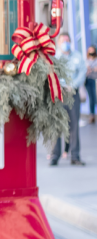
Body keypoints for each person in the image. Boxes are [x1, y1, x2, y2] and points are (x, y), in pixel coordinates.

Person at [50, 32, 87, 166]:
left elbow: (82, 73)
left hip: (73, 95)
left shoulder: (77, 56)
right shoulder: (55, 58)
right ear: (58, 43)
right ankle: (55, 156)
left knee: (74, 126)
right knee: (57, 125)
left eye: (67, 40)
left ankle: (75, 156)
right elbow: (51, 74)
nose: (65, 43)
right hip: (59, 95)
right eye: (62, 41)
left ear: (70, 41)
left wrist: (73, 85)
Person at [86, 45, 97, 124]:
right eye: (90, 50)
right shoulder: (86, 60)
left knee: (95, 98)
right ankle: (92, 115)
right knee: (91, 98)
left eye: (92, 50)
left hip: (95, 80)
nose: (91, 52)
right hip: (89, 81)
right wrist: (87, 70)